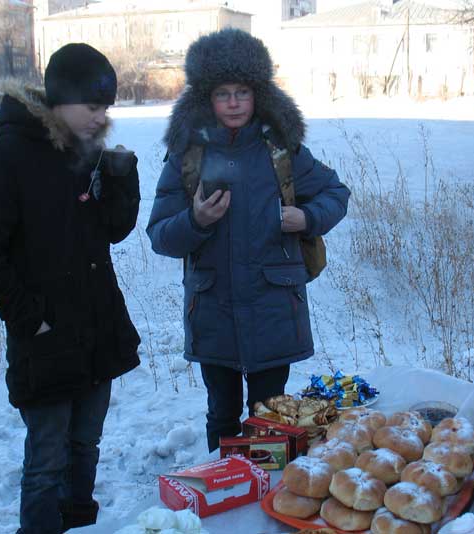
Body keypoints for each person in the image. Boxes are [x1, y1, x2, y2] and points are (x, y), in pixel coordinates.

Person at [0, 43, 141, 534]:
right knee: (46, 461)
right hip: (45, 341)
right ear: (61, 98)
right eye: (94, 106)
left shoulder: (87, 153)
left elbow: (111, 231)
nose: (101, 117)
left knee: (86, 445)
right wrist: (29, 317)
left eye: (107, 108)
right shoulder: (8, 155)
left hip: (96, 330)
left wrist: (123, 182)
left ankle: (82, 525)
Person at [147, 29, 350, 452]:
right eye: (223, 93)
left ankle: (268, 502)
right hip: (213, 314)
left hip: (273, 310)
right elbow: (160, 235)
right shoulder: (188, 157)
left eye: (242, 91)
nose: (235, 102)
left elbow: (336, 193)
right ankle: (224, 495)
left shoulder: (282, 149)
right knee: (222, 415)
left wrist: (307, 217)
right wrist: (196, 220)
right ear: (207, 98)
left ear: (259, 93)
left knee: (270, 418)